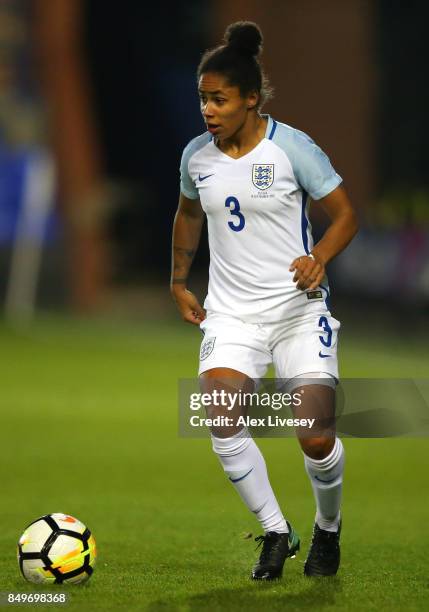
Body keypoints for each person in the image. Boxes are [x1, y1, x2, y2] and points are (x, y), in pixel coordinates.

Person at [170, 21, 358, 581]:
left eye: (219, 99)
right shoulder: (197, 157)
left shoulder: (291, 148)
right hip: (232, 315)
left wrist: (318, 256)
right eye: (203, 98)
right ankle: (278, 531)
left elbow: (345, 215)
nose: (208, 109)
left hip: (298, 311)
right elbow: (187, 214)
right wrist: (180, 281)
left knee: (315, 432)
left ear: (251, 99)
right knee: (221, 414)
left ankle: (328, 528)